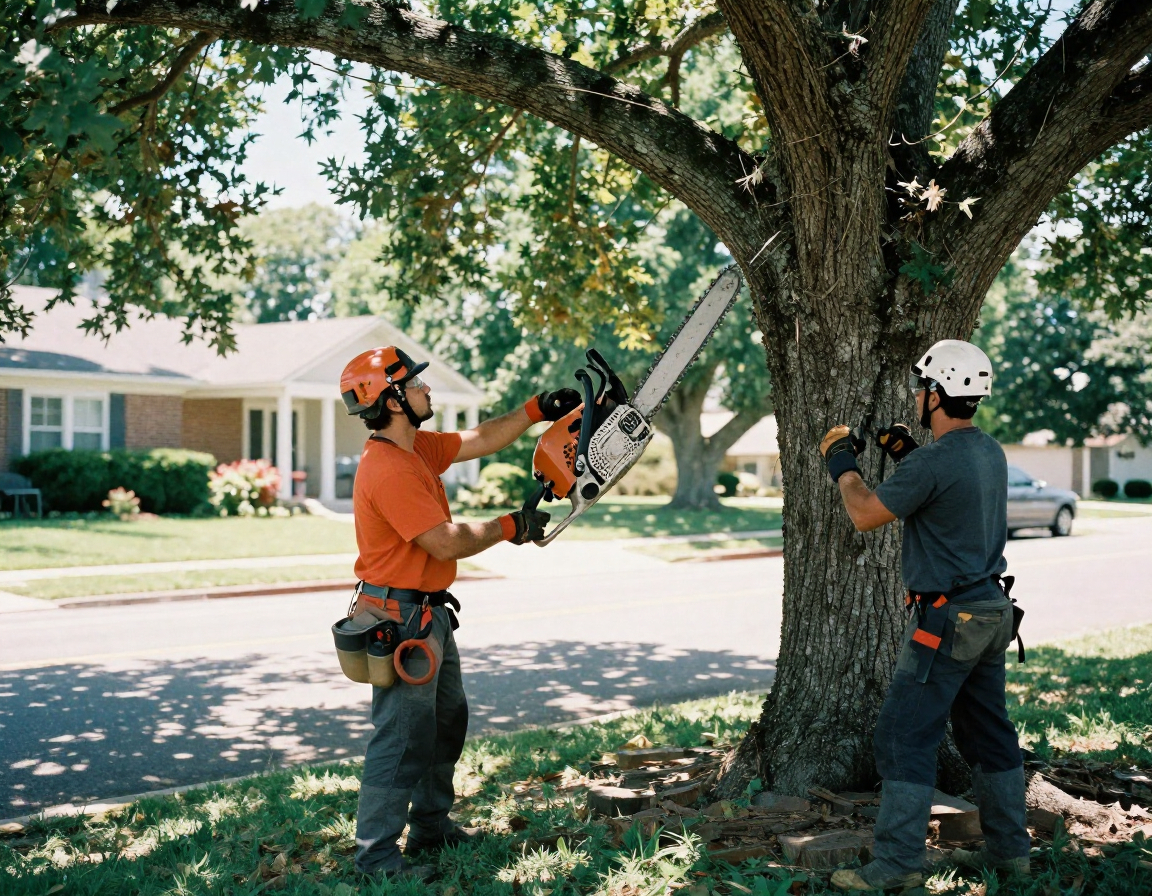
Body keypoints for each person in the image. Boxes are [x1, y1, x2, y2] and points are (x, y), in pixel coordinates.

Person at [338, 345, 579, 881]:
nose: (427, 389)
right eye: (417, 384)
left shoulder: (416, 448)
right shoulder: (389, 469)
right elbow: (443, 543)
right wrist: (510, 527)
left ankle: (430, 825)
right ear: (394, 400)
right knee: (401, 737)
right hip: (400, 621)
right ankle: (375, 856)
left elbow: (480, 438)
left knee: (446, 722)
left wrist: (535, 409)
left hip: (427, 616)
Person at [817, 340, 1030, 892]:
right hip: (991, 613)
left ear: (937, 394)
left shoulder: (936, 460)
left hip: (947, 622)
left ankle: (894, 867)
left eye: (922, 386)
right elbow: (949, 497)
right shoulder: (989, 452)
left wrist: (844, 467)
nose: (917, 394)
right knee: (988, 734)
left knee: (902, 736)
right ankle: (1011, 854)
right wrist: (910, 454)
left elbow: (865, 514)